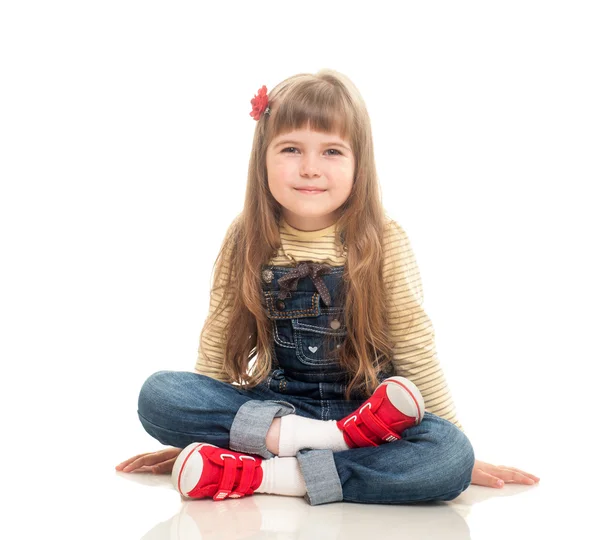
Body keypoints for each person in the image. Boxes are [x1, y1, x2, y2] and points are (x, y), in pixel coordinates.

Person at [115, 69, 540, 505]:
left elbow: (414, 344)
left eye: (332, 151)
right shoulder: (247, 237)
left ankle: (268, 476)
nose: (310, 168)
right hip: (274, 412)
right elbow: (219, 336)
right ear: (263, 157)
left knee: (449, 457)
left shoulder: (383, 239)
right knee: (159, 395)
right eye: (291, 149)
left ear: (360, 162)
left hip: (369, 418)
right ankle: (317, 443)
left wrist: (459, 440)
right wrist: (193, 430)